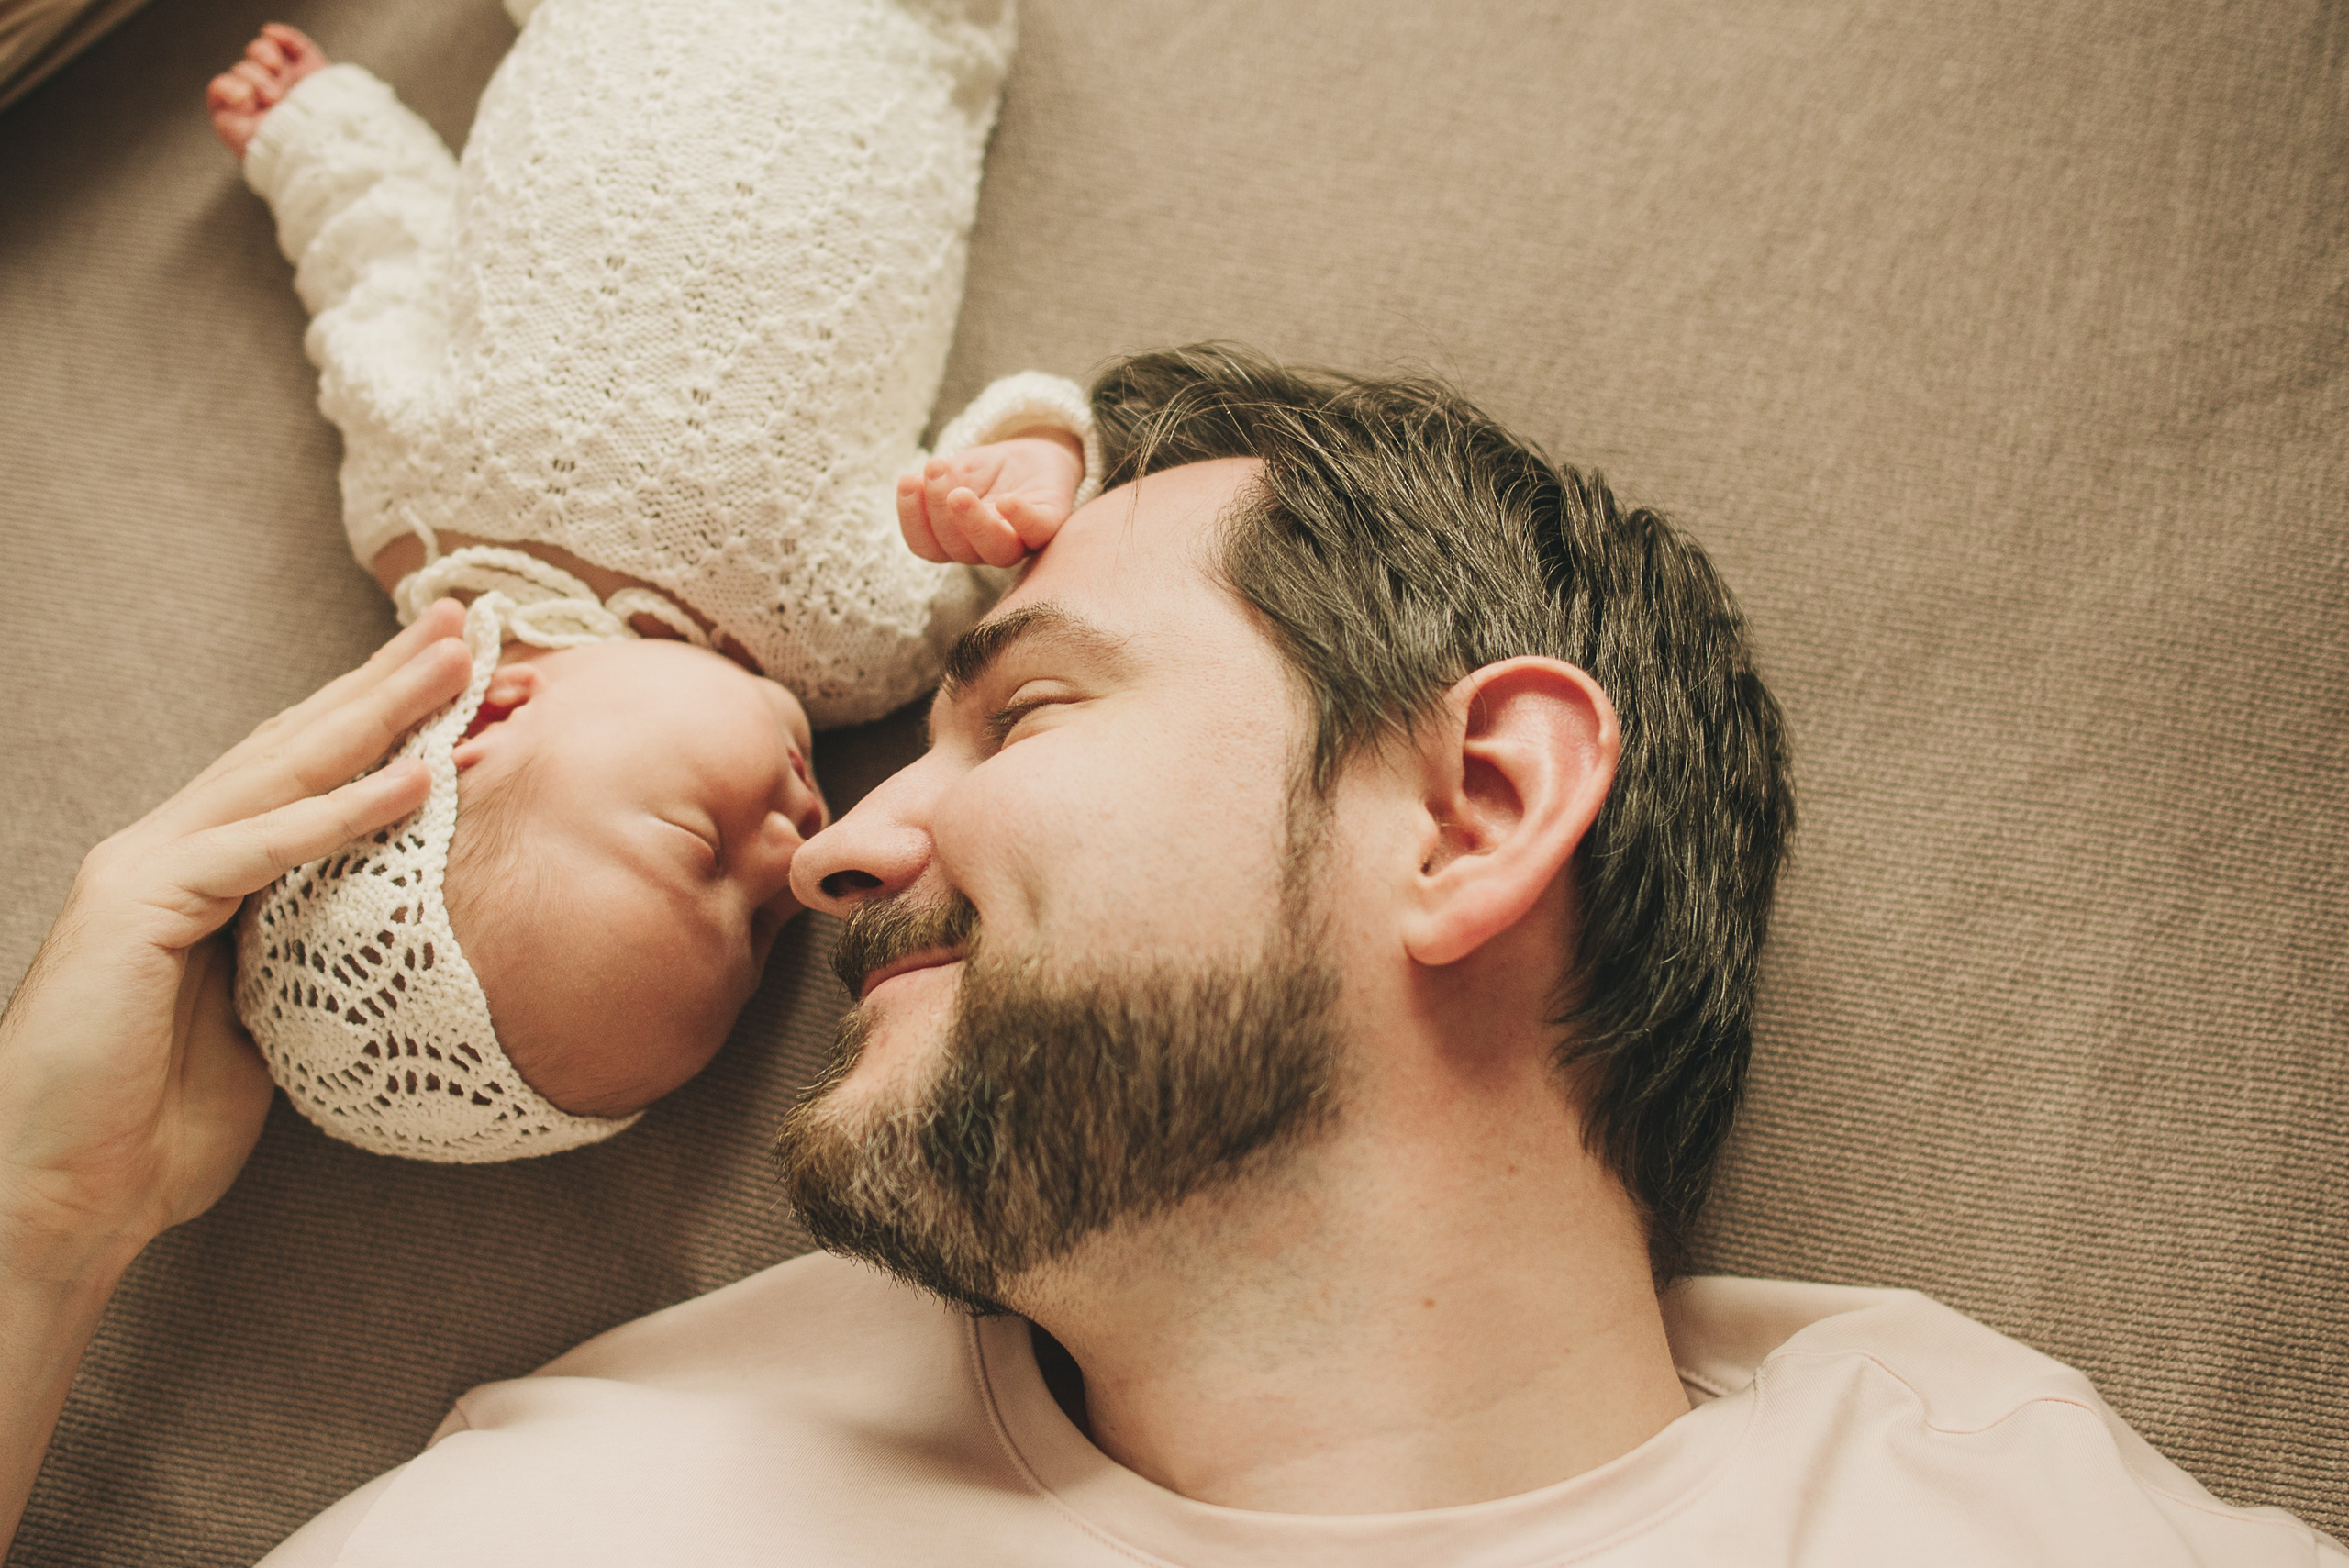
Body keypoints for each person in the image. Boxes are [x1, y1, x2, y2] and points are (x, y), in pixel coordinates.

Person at [2, 347, 2339, 1562]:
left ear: (1479, 807)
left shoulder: (1987, 1520)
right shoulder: (583, 1506)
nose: (848, 843)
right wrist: (35, 1223)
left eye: (1018, 710)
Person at [198, 2, 1097, 1160]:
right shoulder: (853, 642)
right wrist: (1023, 474)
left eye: (701, 851)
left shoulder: (411, 510)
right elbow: (1039, 526)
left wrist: (315, 135)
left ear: (488, 725)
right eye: (770, 927)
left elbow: (384, 265)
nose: (797, 849)